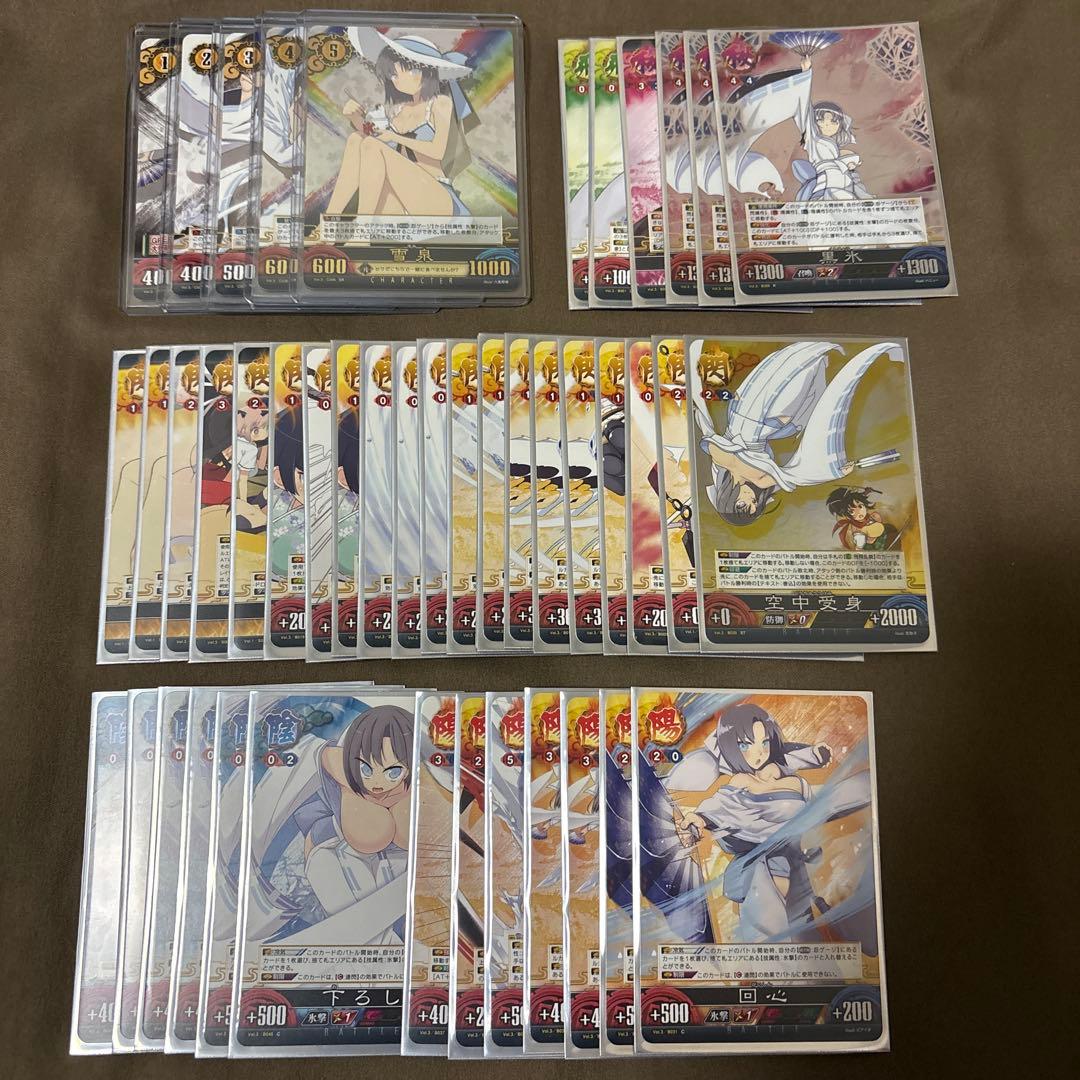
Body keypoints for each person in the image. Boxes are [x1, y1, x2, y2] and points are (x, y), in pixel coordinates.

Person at [326, 29, 478, 216]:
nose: (395, 81)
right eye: (391, 76)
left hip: (434, 197)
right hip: (399, 197)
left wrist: (394, 137)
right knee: (356, 139)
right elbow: (376, 141)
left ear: (418, 70)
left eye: (397, 74)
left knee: (371, 145)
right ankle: (329, 218)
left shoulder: (440, 103)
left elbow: (438, 151)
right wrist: (355, 117)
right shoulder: (398, 109)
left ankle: (363, 226)